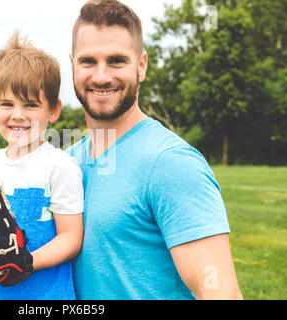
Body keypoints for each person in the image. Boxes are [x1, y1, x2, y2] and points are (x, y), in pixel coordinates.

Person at [67, 0, 243, 300]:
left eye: (116, 61)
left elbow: (220, 291)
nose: (100, 76)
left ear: (141, 66)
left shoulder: (171, 163)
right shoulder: (65, 162)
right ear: (72, 66)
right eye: (88, 62)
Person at [0, 31, 84, 300]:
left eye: (31, 105)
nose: (18, 115)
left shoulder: (60, 166)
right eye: (7, 104)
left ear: (53, 110)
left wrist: (25, 263)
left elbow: (71, 238)